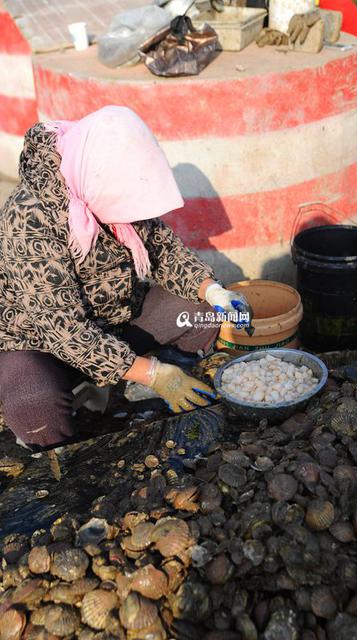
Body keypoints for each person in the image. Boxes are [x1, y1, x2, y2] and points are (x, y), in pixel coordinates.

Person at [0, 106, 251, 451]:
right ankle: (79, 428)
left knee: (203, 309)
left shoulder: (115, 184)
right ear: (100, 179)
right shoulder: (29, 218)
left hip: (113, 322)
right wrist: (153, 373)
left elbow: (164, 252)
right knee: (33, 404)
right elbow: (63, 330)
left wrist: (214, 291)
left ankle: (157, 389)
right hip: (39, 344)